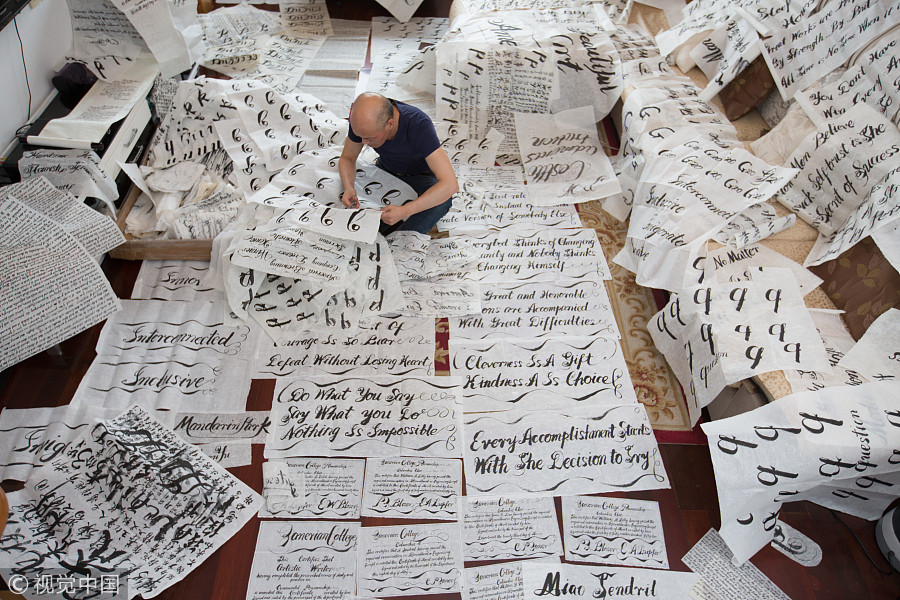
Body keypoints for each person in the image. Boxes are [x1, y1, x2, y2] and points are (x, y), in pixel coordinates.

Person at [338, 92, 458, 235]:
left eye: (369, 139)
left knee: (441, 201)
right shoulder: (361, 121)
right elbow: (348, 158)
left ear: (389, 124)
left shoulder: (418, 124)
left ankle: (399, 240)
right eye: (360, 137)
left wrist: (405, 211)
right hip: (386, 171)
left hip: (420, 178)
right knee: (342, 198)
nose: (364, 143)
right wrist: (349, 187)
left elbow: (450, 184)